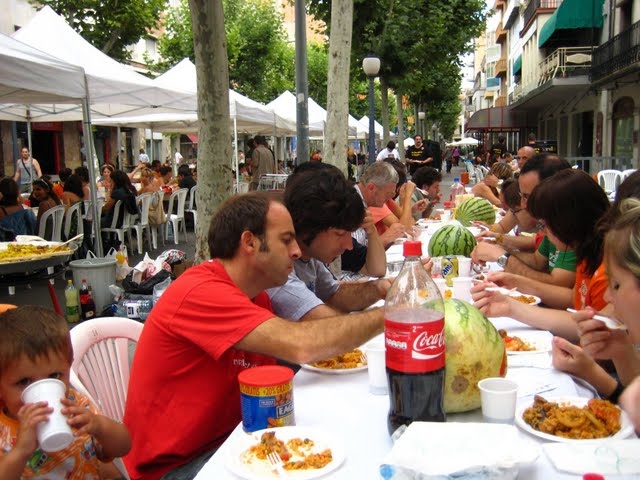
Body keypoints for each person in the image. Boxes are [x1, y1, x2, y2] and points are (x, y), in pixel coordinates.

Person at [123, 192, 384, 480]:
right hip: (176, 467)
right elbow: (302, 344)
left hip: (235, 440)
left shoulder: (256, 297)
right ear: (249, 242)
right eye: (286, 240)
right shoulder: (200, 292)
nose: (297, 251)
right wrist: (392, 314)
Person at [472, 169, 611, 341]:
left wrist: (504, 259)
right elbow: (576, 303)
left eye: (544, 225)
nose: (543, 233)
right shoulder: (588, 255)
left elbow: (598, 335)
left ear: (567, 222)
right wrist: (511, 300)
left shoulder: (608, 270)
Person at [0, 305, 131, 479]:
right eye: (24, 381)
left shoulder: (76, 405)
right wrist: (21, 451)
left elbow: (124, 446)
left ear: (69, 368)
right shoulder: (3, 432)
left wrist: (99, 426)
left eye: (54, 376)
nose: (42, 395)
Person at [270, 165, 389, 317]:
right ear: (308, 227)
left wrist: (379, 289)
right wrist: (391, 313)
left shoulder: (310, 256)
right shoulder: (276, 268)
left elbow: (333, 295)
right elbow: (324, 325)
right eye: (339, 234)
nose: (349, 246)